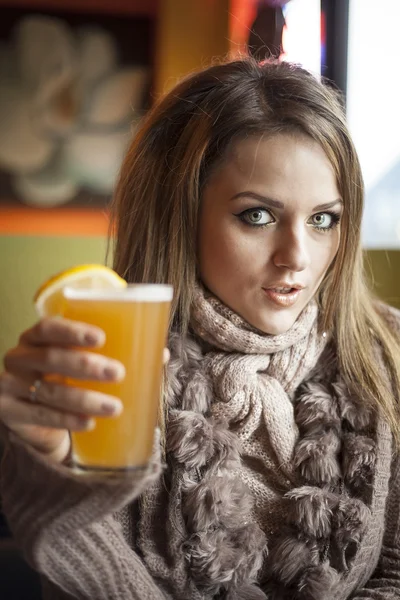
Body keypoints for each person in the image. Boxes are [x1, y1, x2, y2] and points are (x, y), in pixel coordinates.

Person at [0, 57, 399, 600]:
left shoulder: (388, 354)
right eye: (257, 215)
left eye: (324, 219)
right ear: (179, 213)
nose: (296, 257)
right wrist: (52, 470)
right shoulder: (110, 360)